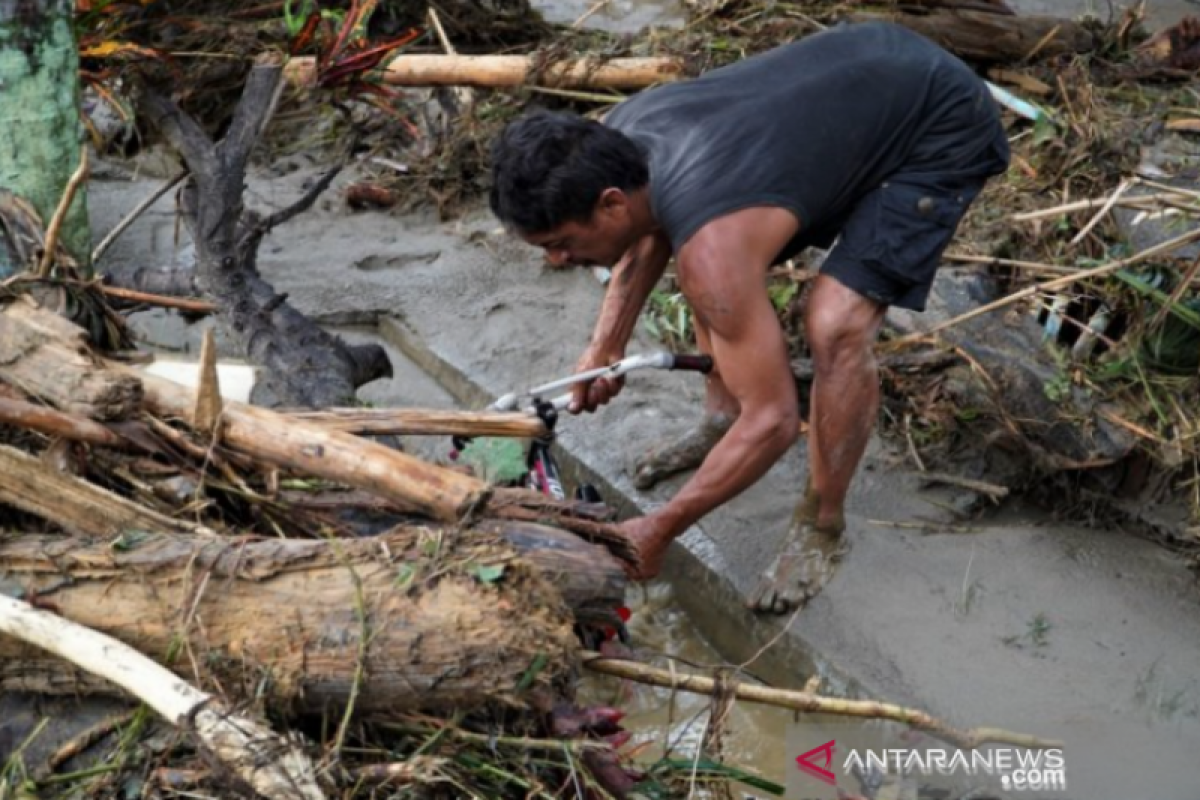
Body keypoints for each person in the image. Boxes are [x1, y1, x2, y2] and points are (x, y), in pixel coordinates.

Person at [488, 21, 1010, 614]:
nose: (558, 261)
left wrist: (659, 528)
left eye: (560, 242)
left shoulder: (709, 246)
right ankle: (719, 418)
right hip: (865, 76)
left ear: (609, 202)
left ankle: (822, 525)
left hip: (937, 122)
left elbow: (776, 422)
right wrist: (602, 348)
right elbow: (650, 229)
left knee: (835, 323)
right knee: (710, 271)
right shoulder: (617, 140)